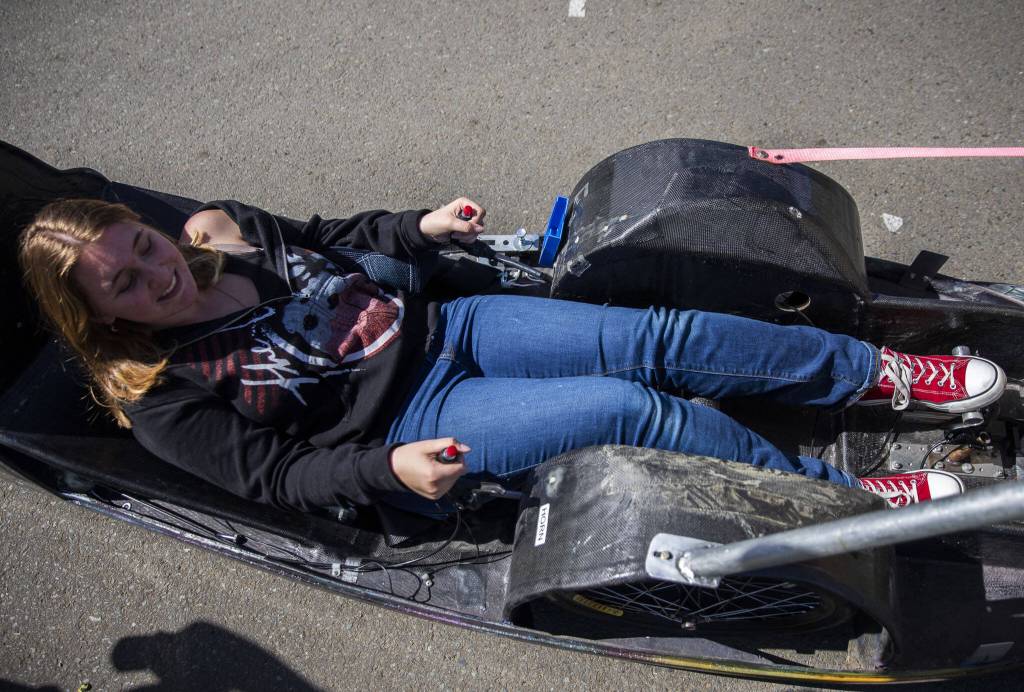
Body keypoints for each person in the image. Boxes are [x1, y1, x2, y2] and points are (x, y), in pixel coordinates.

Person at [18, 197, 1007, 514]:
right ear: (98, 313)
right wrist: (385, 468)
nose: (153, 274)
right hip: (406, 424)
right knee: (630, 405)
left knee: (650, 332)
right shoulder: (160, 394)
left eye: (138, 245)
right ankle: (841, 500)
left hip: (449, 329)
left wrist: (418, 224)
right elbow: (278, 477)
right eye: (121, 281)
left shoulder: (218, 235)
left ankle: (877, 375)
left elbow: (341, 230)